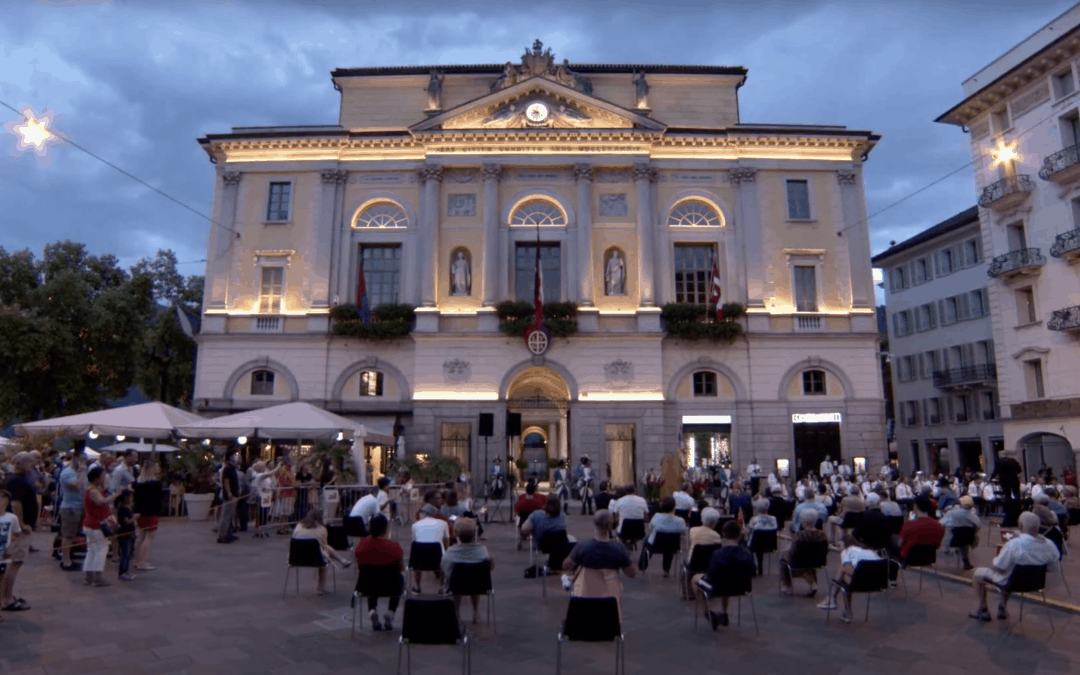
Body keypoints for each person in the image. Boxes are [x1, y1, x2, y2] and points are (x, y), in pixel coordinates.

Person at [969, 511, 1060, 621]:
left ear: (1020, 525)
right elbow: (1053, 568)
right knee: (1010, 572)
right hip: (1036, 584)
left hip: (1012, 582)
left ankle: (983, 609)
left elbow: (998, 567)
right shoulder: (1050, 545)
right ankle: (1002, 608)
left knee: (978, 573)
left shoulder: (1014, 544)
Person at [562, 510, 636, 621]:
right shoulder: (619, 548)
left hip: (585, 595)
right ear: (611, 525)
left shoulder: (582, 546)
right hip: (610, 599)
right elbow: (631, 573)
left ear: (594, 523)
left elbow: (566, 566)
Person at [702, 520, 757, 630]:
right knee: (726, 578)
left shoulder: (718, 553)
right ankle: (724, 613)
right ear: (739, 534)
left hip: (719, 587)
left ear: (723, 534)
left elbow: (711, 574)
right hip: (743, 588)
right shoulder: (747, 553)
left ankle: (708, 612)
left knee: (696, 579)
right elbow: (753, 571)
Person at [816, 532, 882, 622]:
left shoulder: (847, 552)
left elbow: (851, 572)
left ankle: (836, 601)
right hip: (878, 583)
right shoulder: (871, 551)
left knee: (843, 573)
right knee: (845, 573)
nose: (838, 549)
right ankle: (833, 600)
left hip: (861, 584)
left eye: (838, 546)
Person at [354, 514, 403, 631]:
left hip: (366, 587)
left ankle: (372, 610)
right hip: (391, 587)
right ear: (385, 528)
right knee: (399, 578)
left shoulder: (361, 545)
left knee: (370, 576)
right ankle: (390, 613)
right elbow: (401, 568)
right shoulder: (395, 547)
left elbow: (358, 566)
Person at [2, 452, 38, 609]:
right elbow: (16, 504)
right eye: (29, 463)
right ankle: (6, 599)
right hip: (18, 530)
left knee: (12, 564)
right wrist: (22, 524)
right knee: (14, 564)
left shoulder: (13, 479)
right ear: (20, 463)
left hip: (16, 528)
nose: (32, 466)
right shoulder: (16, 481)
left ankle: (5, 595)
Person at [440, 517, 493, 624]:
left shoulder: (451, 551)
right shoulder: (482, 550)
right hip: (480, 586)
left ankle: (456, 612)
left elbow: (444, 567)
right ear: (474, 534)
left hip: (456, 586)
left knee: (456, 581)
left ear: (456, 534)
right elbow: (489, 567)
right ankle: (475, 611)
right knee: (475, 576)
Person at [291, 508, 352, 595]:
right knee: (325, 551)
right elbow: (324, 545)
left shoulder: (298, 526)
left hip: (296, 557)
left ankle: (342, 560)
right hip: (315, 557)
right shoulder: (321, 529)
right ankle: (321, 587)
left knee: (324, 550)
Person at [81, 466, 121, 588]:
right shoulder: (93, 491)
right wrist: (116, 495)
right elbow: (102, 501)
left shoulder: (93, 489)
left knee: (92, 550)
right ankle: (97, 577)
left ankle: (89, 576)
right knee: (100, 550)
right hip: (96, 525)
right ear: (97, 478)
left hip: (93, 524)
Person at [780, 508, 830, 596]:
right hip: (818, 562)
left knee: (783, 561)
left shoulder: (799, 535)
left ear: (805, 523)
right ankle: (813, 583)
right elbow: (826, 550)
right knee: (809, 563)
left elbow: (793, 552)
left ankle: (787, 586)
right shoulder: (823, 535)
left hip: (799, 563)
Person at [411, 499, 451, 594]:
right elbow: (447, 544)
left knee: (417, 554)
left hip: (420, 560)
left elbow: (414, 543)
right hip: (438, 559)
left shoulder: (414, 525)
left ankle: (417, 585)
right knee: (445, 555)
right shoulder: (444, 524)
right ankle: (441, 585)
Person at [58, 451, 88, 571]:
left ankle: (69, 557)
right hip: (70, 507)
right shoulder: (67, 472)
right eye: (81, 460)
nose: (83, 463)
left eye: (84, 460)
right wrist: (82, 473)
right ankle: (65, 561)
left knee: (74, 534)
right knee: (68, 535)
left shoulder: (78, 472)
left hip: (80, 506)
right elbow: (76, 485)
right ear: (74, 459)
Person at [132, 461, 163, 572]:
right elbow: (159, 499)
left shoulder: (137, 483)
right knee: (149, 538)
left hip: (139, 512)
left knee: (141, 537)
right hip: (152, 512)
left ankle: (138, 561)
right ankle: (142, 562)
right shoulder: (155, 484)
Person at [645, 496, 688, 577]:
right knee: (670, 542)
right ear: (674, 507)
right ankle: (666, 569)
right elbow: (683, 533)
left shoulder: (657, 516)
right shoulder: (680, 521)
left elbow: (650, 528)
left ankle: (642, 565)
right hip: (673, 546)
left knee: (647, 541)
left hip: (656, 545)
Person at [0, 489, 22, 623]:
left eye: (4, 500)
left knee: (1, 582)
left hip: (3, 556)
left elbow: (16, 534)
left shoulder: (11, 518)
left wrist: (11, 548)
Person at [941, 495, 981, 570]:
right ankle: (965, 561)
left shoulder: (952, 513)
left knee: (951, 531)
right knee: (964, 540)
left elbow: (943, 523)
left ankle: (946, 549)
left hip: (954, 539)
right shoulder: (974, 516)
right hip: (970, 540)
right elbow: (978, 526)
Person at [745, 499, 778, 573]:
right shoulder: (774, 519)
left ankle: (752, 567)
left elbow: (748, 531)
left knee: (745, 543)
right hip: (770, 545)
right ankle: (760, 566)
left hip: (755, 544)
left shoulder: (753, 519)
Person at [514, 480, 547, 550]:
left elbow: (516, 510)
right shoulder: (538, 502)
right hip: (535, 524)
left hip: (523, 523)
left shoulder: (521, 499)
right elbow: (543, 509)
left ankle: (520, 537)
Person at [218, 453, 240, 544]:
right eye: (235, 456)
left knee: (230, 516)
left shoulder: (232, 468)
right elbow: (226, 482)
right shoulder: (227, 468)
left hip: (234, 495)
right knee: (226, 516)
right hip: (229, 497)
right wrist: (229, 493)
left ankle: (228, 534)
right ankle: (222, 536)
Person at [115, 489, 137, 581]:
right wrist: (134, 517)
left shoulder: (129, 507)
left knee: (128, 554)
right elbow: (126, 521)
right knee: (125, 553)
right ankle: (122, 572)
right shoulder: (123, 509)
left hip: (130, 533)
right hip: (125, 534)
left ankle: (126, 571)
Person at [274, 456, 297, 535]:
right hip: (285, 494)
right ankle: (281, 527)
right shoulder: (283, 470)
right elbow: (282, 482)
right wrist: (293, 485)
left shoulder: (290, 470)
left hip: (290, 494)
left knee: (287, 512)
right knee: (283, 512)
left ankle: (284, 527)